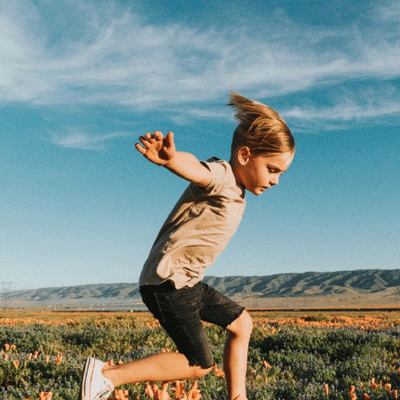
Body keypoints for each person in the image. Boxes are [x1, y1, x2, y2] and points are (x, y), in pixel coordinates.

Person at [78, 92, 295, 400]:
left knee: (241, 324)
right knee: (198, 364)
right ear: (245, 156)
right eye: (272, 169)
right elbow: (197, 168)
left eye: (280, 174)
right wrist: (170, 160)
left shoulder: (237, 192)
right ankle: (105, 377)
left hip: (187, 282)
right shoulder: (223, 176)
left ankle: (238, 397)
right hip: (168, 282)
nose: (276, 180)